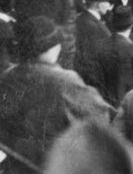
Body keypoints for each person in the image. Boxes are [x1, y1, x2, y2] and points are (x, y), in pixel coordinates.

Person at [0, 16, 113, 174]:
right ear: (54, 46)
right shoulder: (65, 80)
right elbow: (99, 120)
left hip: (16, 167)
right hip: (55, 165)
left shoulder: (8, 75)